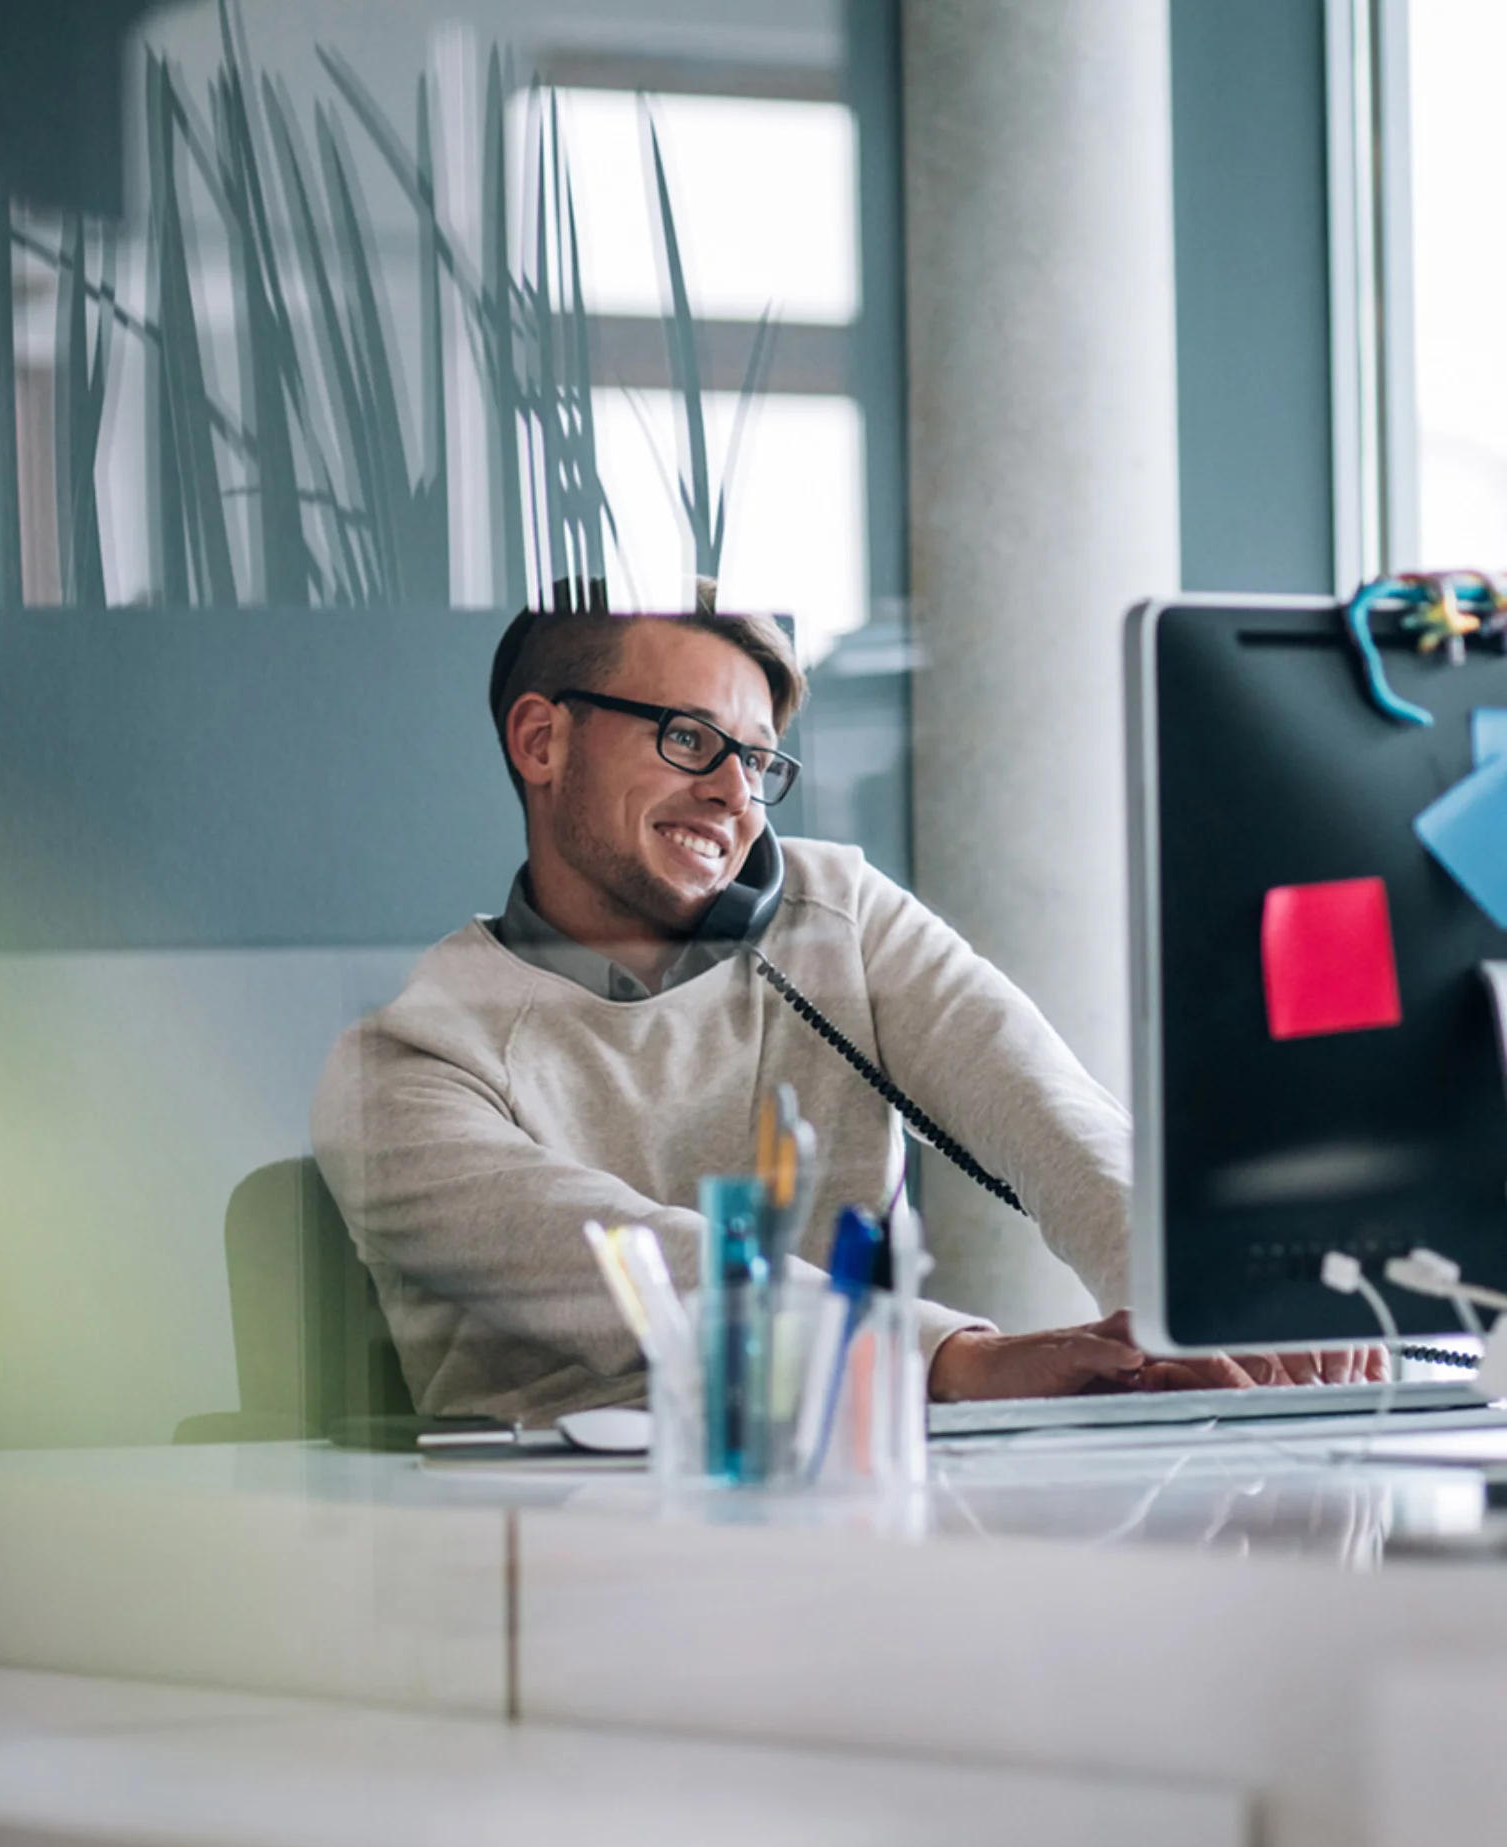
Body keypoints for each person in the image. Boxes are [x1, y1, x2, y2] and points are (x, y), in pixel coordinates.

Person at [311, 585, 1381, 1424]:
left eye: (756, 761)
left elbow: (1054, 1116)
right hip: (567, 1570)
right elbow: (649, 1271)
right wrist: (953, 1360)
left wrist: (1210, 1294)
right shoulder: (405, 1068)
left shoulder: (837, 915)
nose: (734, 796)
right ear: (541, 741)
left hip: (868, 1511)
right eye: (688, 740)